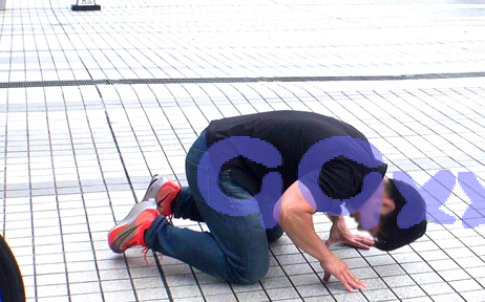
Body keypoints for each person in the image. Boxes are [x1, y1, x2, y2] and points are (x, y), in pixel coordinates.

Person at [107, 110, 427, 291]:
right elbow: (290, 209)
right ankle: (148, 229)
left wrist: (338, 225)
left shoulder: (367, 164)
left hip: (241, 165)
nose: (362, 224)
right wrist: (326, 257)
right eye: (372, 225)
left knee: (270, 231)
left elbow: (323, 181)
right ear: (386, 205)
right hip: (216, 163)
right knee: (248, 266)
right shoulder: (351, 173)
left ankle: (173, 198)